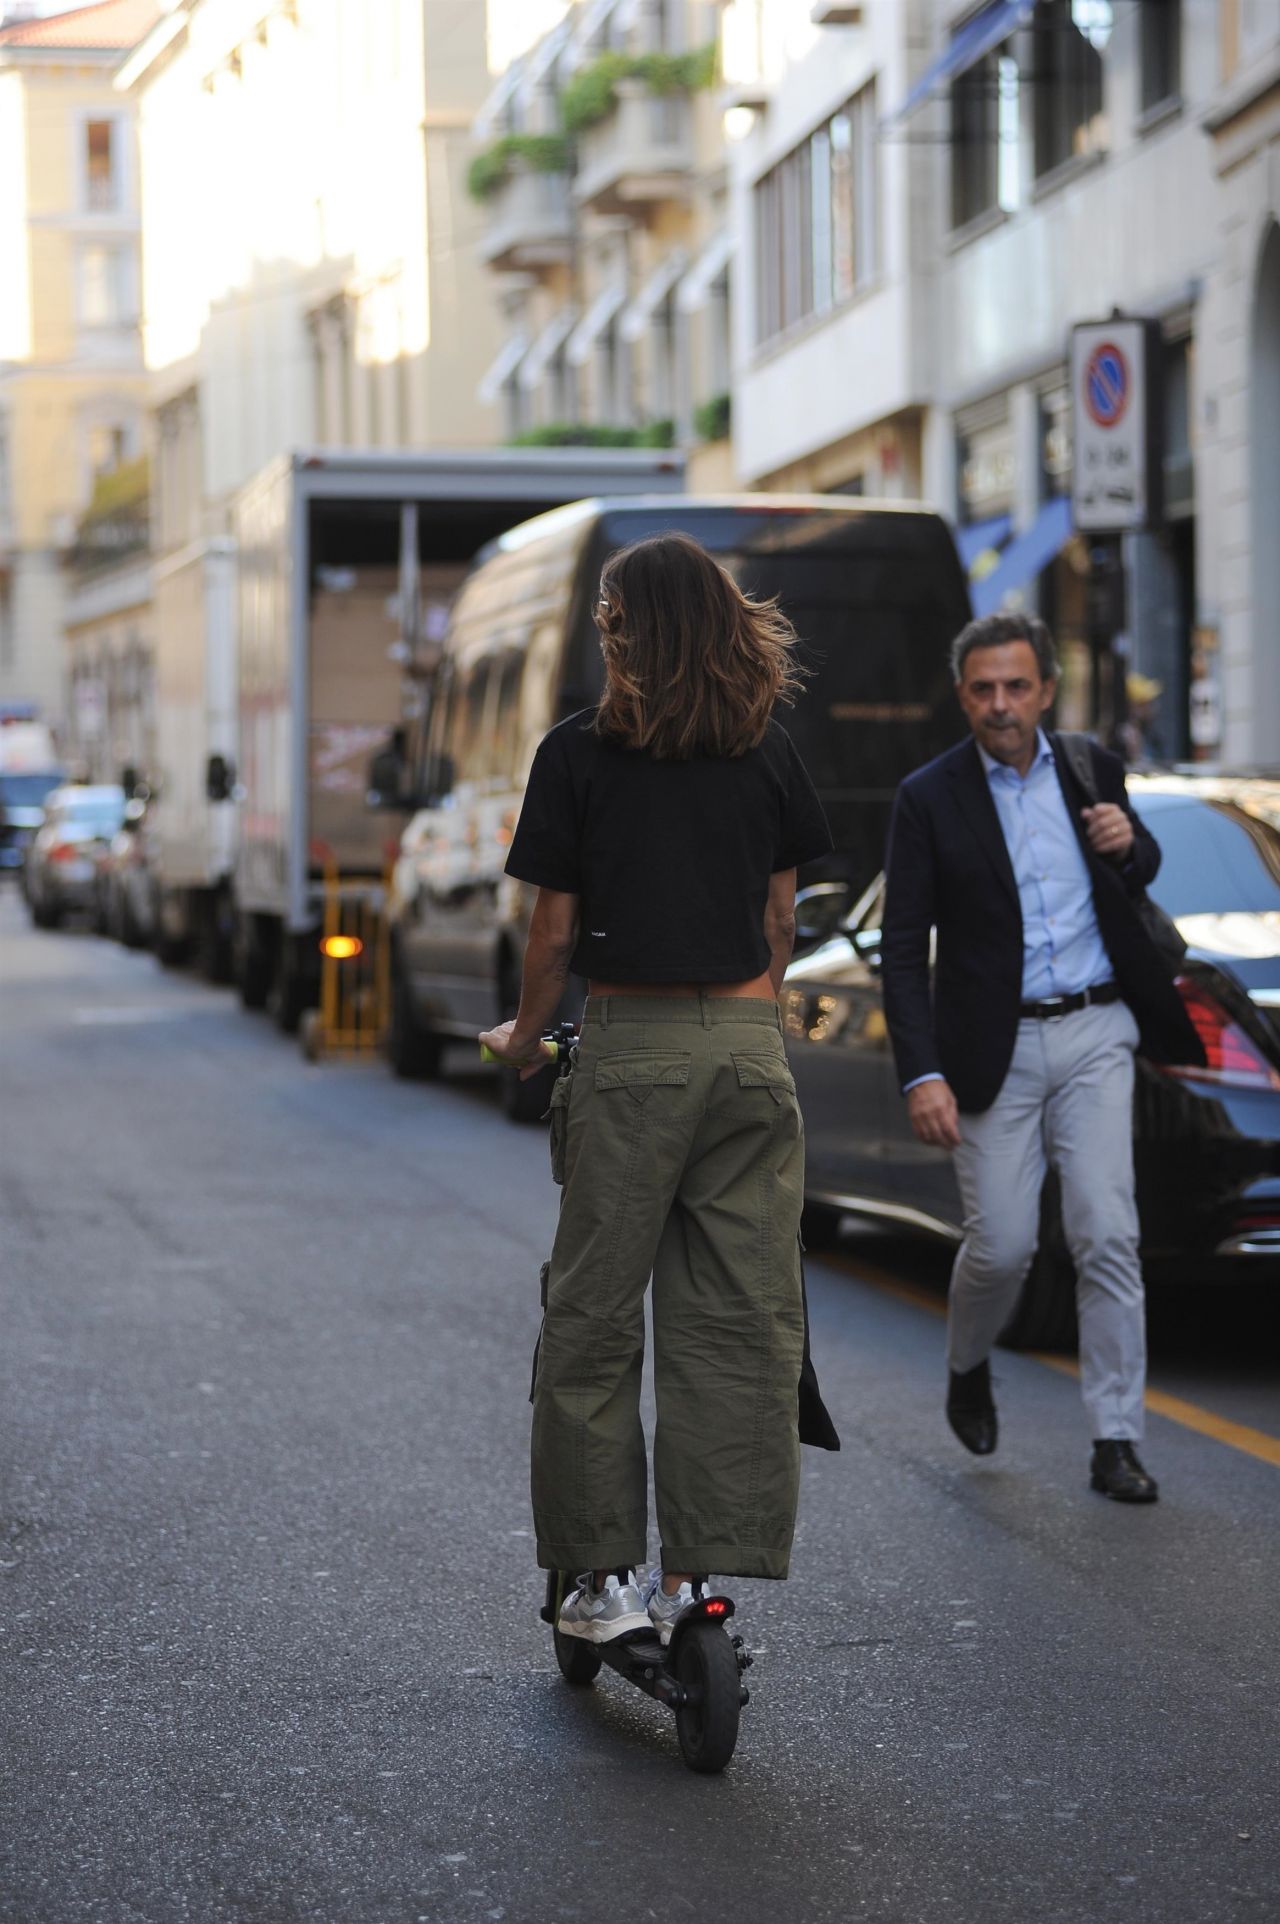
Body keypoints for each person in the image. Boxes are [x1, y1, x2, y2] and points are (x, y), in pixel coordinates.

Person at [480, 531, 837, 1645]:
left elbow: (549, 935)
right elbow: (778, 920)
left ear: (626, 628)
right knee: (735, 1320)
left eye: (605, 614)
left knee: (590, 1321)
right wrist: (745, 1023)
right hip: (747, 1050)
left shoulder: (579, 753)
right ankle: (698, 1579)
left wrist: (528, 1037)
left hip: (630, 1048)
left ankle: (598, 1582)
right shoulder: (768, 751)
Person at [880, 613, 1202, 1504]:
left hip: (1099, 1030)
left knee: (1107, 1231)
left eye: (1017, 687)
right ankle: (969, 1360)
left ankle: (1115, 1438)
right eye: (983, 689)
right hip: (995, 1048)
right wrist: (923, 1072)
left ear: (1047, 691)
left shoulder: (1092, 766)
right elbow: (903, 949)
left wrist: (1127, 845)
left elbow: (1137, 861)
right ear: (963, 696)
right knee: (1005, 1246)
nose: (1001, 705)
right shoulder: (929, 797)